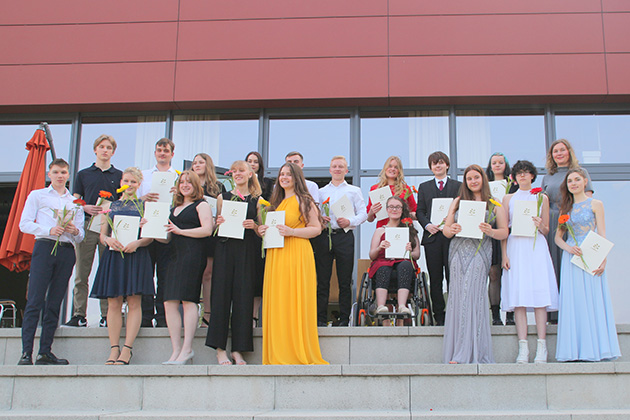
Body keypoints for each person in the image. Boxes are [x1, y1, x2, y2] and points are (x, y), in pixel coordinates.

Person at [258, 162, 328, 365]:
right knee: (279, 301)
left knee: (294, 301)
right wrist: (262, 230)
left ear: (296, 177)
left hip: (297, 253)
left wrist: (293, 232)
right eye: (281, 174)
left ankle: (295, 350)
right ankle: (278, 350)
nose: (284, 177)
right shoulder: (276, 204)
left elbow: (316, 228)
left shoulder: (304, 200)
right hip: (277, 256)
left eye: (288, 174)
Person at [18, 159, 84, 365]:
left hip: (66, 251)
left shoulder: (75, 202)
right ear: (50, 174)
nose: (60, 176)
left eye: (63, 172)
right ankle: (26, 352)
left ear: (68, 175)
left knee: (54, 303)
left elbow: (80, 236)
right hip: (45, 246)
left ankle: (44, 351)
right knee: (35, 300)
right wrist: (48, 230)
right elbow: (24, 224)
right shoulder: (37, 195)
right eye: (56, 172)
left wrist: (74, 231)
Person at [442, 165, 508, 364]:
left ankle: (470, 351)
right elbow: (446, 231)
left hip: (480, 251)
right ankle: (458, 351)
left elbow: (504, 232)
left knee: (473, 296)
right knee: (457, 297)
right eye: (469, 178)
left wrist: (491, 231)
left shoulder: (494, 203)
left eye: (476, 177)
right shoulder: (458, 201)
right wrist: (451, 228)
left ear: (483, 179)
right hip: (458, 251)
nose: (473, 181)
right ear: (466, 182)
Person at [555, 168, 621, 362]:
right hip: (573, 258)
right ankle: (574, 351)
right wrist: (568, 248)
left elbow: (602, 233)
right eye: (570, 181)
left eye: (577, 180)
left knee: (592, 299)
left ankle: (596, 349)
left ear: (585, 182)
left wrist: (603, 259)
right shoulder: (564, 208)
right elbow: (558, 238)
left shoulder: (596, 204)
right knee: (574, 301)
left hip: (592, 254)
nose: (573, 183)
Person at [90, 167, 154, 365]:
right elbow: (101, 235)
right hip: (114, 256)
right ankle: (113, 348)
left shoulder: (146, 207)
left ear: (139, 184)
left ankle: (127, 349)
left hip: (136, 254)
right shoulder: (109, 206)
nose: (130, 184)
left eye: (134, 182)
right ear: (121, 183)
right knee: (113, 303)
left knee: (134, 302)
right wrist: (108, 241)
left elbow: (151, 237)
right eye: (126, 181)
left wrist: (138, 242)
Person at [501, 160, 558, 364]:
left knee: (539, 295)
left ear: (532, 176)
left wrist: (540, 224)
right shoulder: (508, 198)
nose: (523, 176)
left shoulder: (542, 197)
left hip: (535, 248)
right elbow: (504, 230)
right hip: (516, 247)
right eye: (519, 173)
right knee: (519, 298)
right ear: (514, 177)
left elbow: (546, 230)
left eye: (526, 173)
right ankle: (523, 347)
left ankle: (542, 346)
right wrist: (504, 255)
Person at [206, 161, 262, 365]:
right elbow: (214, 226)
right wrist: (217, 223)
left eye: (242, 171)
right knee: (220, 297)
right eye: (235, 171)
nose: (238, 174)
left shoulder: (258, 199)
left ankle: (238, 349)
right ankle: (220, 349)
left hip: (246, 251)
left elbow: (263, 229)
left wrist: (254, 226)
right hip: (225, 249)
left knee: (243, 298)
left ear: (250, 174)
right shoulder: (223, 197)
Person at [66, 134, 122, 328]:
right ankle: (78, 314)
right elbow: (74, 201)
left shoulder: (119, 175)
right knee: (82, 271)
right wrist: (85, 207)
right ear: (95, 150)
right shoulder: (83, 174)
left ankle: (107, 315)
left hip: (109, 227)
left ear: (113, 152)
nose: (105, 150)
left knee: (107, 271)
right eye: (101, 147)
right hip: (88, 225)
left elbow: (123, 201)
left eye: (108, 147)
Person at [161, 171, 213, 364]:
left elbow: (207, 230)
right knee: (169, 302)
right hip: (173, 255)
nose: (184, 185)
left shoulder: (202, 205)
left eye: (188, 182)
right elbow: (167, 237)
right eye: (181, 182)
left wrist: (181, 231)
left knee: (188, 300)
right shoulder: (174, 207)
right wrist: (151, 228)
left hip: (192, 255)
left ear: (195, 185)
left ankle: (187, 349)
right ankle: (175, 350)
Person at [542, 139, 594, 323]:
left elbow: (587, 202)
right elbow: (543, 203)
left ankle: (576, 312)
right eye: (555, 151)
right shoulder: (548, 177)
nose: (559, 154)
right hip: (552, 224)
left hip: (571, 221)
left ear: (569, 152)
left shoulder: (580, 173)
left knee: (572, 267)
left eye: (562, 150)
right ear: (551, 156)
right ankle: (554, 315)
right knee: (553, 267)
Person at [315, 156, 367, 326]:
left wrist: (350, 222)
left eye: (341, 167)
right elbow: (314, 213)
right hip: (325, 237)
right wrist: (319, 219)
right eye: (334, 166)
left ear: (346, 170)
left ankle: (345, 319)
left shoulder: (354, 190)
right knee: (323, 280)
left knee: (345, 280)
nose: (337, 169)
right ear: (330, 170)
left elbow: (363, 213)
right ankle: (320, 319)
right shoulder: (321, 192)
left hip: (344, 236)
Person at [415, 151, 462, 326]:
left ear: (447, 165)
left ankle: (454, 314)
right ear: (431, 168)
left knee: (453, 277)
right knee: (435, 278)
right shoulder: (424, 186)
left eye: (441, 163)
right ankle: (439, 316)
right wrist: (428, 225)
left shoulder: (458, 186)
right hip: (432, 237)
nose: (438, 166)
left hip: (452, 238)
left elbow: (461, 209)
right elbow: (420, 211)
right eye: (434, 164)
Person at [138, 138, 177, 328]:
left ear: (172, 154)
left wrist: (177, 194)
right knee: (146, 274)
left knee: (165, 273)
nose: (162, 153)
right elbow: (132, 200)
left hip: (167, 229)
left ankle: (162, 316)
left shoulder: (178, 176)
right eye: (159, 150)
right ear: (155, 153)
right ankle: (146, 316)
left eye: (166, 150)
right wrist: (143, 198)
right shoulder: (143, 175)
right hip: (146, 228)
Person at [367, 196, 420, 326]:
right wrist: (380, 247)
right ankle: (381, 307)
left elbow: (417, 254)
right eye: (391, 207)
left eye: (397, 207)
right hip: (383, 263)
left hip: (403, 263)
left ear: (402, 210)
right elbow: (372, 255)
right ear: (387, 210)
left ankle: (402, 306)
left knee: (406, 265)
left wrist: (409, 252)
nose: (394, 209)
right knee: (384, 267)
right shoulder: (380, 231)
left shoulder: (410, 230)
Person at [191, 152, 226, 327]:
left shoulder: (218, 187)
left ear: (208, 165)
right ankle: (190, 314)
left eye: (200, 162)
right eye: (194, 163)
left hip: (212, 235)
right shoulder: (187, 186)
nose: (197, 165)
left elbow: (224, 212)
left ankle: (207, 314)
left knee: (208, 274)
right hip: (190, 234)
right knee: (192, 272)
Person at [484, 152, 517, 326]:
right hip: (491, 233)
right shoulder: (485, 187)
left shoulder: (513, 187)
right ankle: (495, 315)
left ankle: (510, 314)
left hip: (510, 233)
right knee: (494, 273)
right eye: (494, 163)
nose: (497, 165)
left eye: (500, 162)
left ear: (506, 165)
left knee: (509, 272)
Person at [245, 151, 272, 325]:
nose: (252, 164)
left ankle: (254, 316)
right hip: (240, 235)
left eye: (255, 162)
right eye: (249, 161)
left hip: (260, 234)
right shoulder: (237, 185)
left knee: (257, 276)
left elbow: (271, 206)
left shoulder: (268, 184)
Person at [366, 156, 417, 228]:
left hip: (401, 229)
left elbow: (414, 212)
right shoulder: (375, 189)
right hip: (383, 229)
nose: (392, 169)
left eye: (396, 167)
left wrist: (405, 213)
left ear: (399, 171)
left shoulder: (405, 188)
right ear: (385, 168)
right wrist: (371, 211)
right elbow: (369, 219)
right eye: (390, 166)